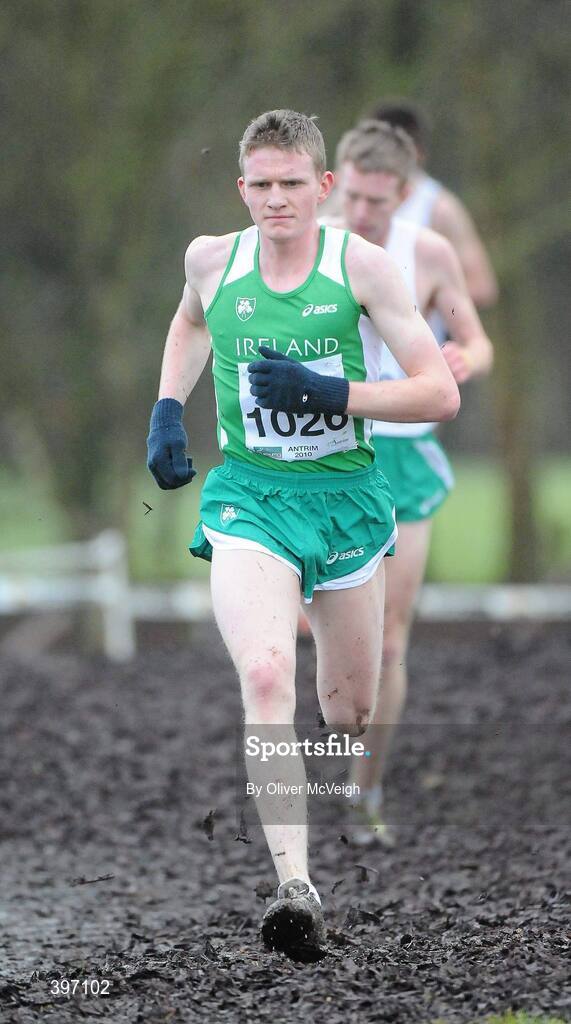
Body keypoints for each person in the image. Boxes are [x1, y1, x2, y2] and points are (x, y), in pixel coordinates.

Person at [146, 109, 460, 958]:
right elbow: (190, 323)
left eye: (292, 183)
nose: (276, 199)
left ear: (322, 188)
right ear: (240, 187)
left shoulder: (363, 268)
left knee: (347, 711)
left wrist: (333, 397)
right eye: (261, 184)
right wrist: (168, 407)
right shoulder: (212, 259)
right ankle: (295, 888)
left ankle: (341, 771)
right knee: (263, 671)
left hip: (349, 502)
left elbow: (438, 393)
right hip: (250, 499)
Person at [322, 120, 493, 845]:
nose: (362, 214)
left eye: (377, 202)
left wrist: (465, 359)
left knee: (390, 644)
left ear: (403, 192)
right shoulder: (309, 242)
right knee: (323, 647)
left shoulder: (426, 251)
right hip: (323, 455)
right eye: (352, 196)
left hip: (400, 455)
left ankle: (365, 791)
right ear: (335, 181)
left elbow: (476, 337)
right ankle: (310, 770)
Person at [369, 100, 498, 310]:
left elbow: (482, 287)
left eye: (391, 153)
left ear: (417, 153)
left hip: (422, 339)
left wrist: (420, 296)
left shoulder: (439, 208)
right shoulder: (345, 197)